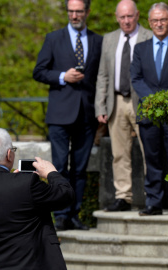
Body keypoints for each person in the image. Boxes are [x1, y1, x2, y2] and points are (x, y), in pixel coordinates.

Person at [0, 128, 74, 270]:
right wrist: (51, 173)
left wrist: (20, 183)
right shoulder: (26, 184)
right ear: (9, 154)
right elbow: (65, 196)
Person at [33, 0, 103, 230]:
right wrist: (63, 76)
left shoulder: (98, 40)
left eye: (79, 11)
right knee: (59, 167)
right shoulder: (53, 38)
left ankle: (75, 214)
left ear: (87, 12)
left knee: (80, 170)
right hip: (60, 115)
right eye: (71, 11)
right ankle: (60, 215)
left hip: (86, 114)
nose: (74, 15)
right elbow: (39, 71)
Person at [130, 2, 168, 216]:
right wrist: (155, 101)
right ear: (149, 22)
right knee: (153, 159)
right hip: (148, 113)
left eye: (163, 20)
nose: (159, 24)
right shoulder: (140, 49)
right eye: (155, 20)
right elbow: (136, 78)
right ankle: (154, 203)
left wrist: (165, 101)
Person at [94, 0, 152, 212]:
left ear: (137, 15)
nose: (126, 21)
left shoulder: (148, 36)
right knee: (119, 153)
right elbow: (103, 75)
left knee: (149, 151)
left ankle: (152, 196)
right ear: (117, 18)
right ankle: (123, 196)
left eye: (130, 16)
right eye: (122, 17)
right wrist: (100, 105)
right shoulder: (109, 39)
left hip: (143, 103)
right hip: (116, 102)